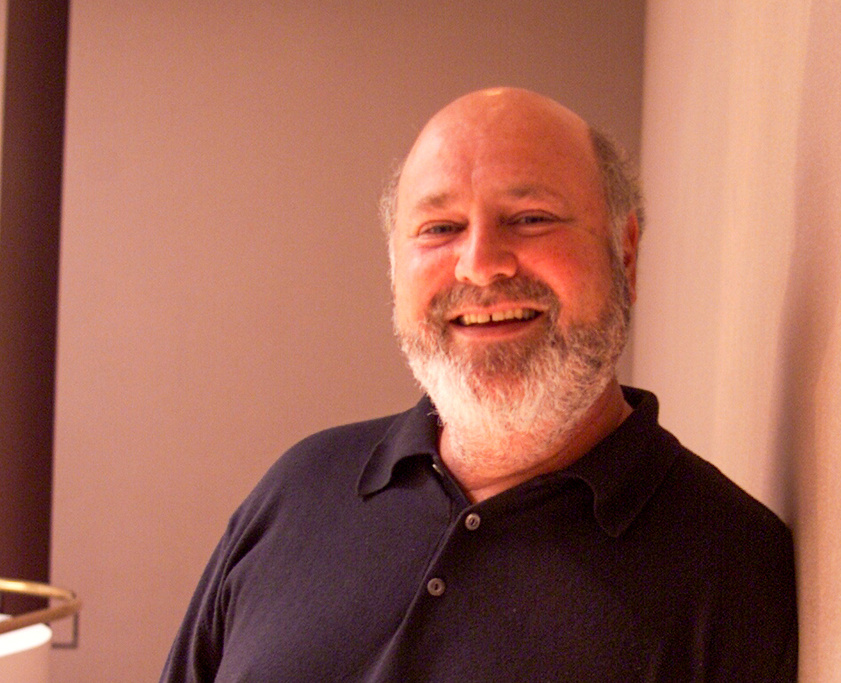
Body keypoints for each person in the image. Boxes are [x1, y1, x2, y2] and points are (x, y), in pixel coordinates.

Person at [161, 87, 797, 682]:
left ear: (624, 254)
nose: (481, 264)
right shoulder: (299, 487)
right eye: (439, 229)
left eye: (531, 218)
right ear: (394, 268)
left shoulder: (730, 563)